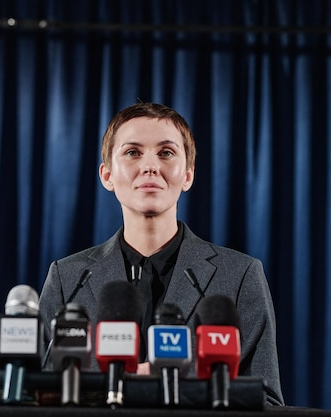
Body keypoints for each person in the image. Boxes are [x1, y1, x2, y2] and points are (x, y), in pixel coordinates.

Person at [38, 102, 284, 406]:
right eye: (133, 152)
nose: (150, 165)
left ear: (188, 175)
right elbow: (37, 395)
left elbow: (268, 402)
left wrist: (175, 388)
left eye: (166, 152)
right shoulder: (67, 278)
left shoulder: (241, 275)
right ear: (107, 175)